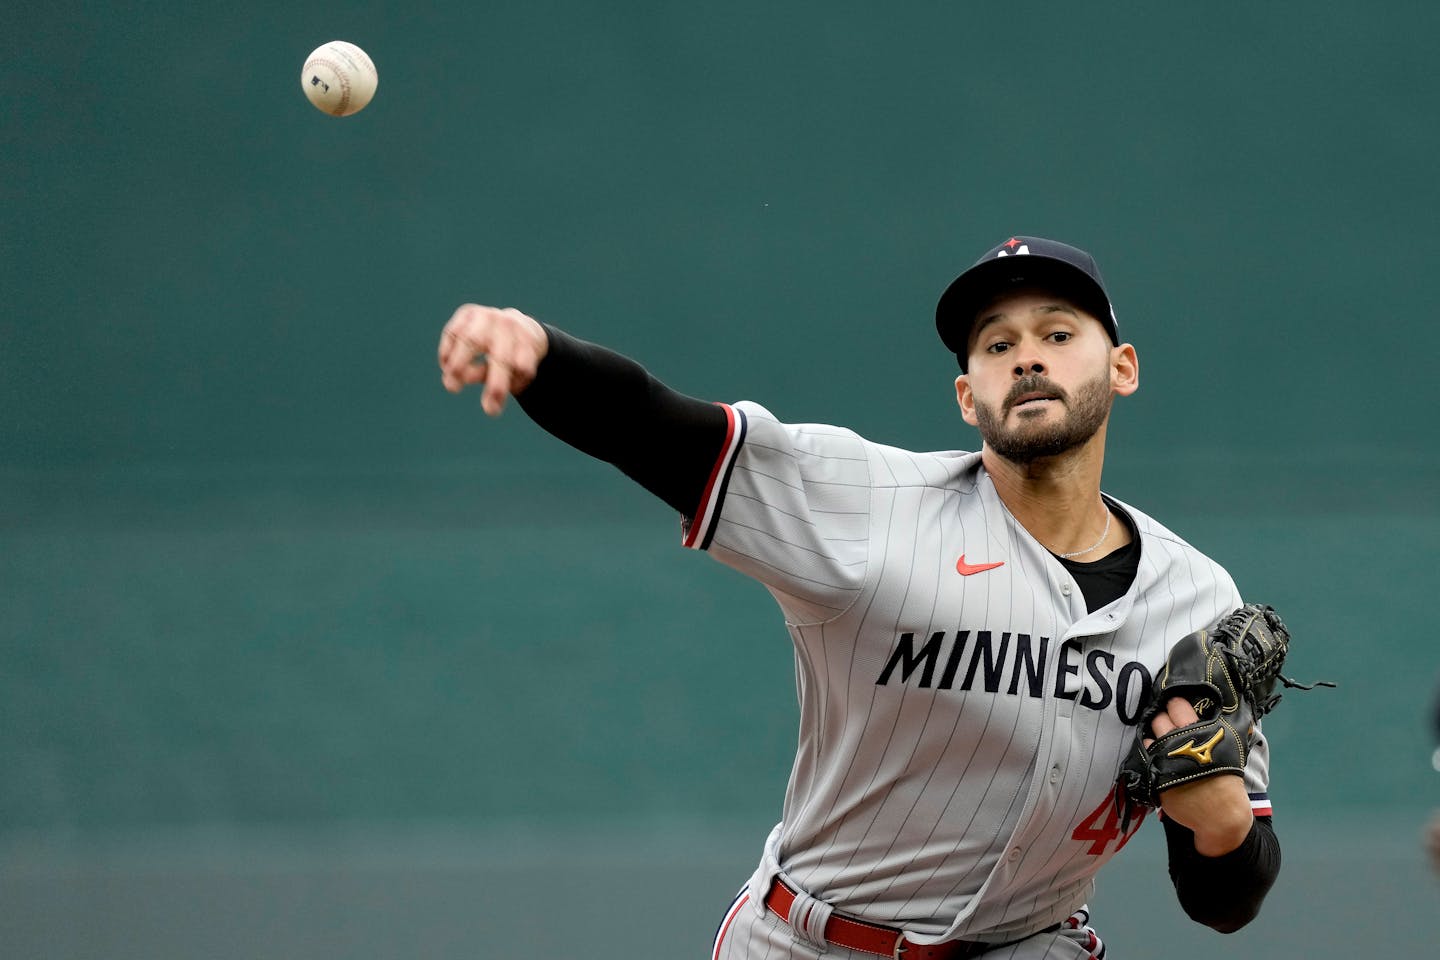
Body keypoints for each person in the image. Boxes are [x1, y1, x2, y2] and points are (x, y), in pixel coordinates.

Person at [436, 236, 1281, 958]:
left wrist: (1220, 829)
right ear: (967, 396)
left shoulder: (1197, 598)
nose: (1027, 356)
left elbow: (1225, 900)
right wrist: (542, 357)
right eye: (996, 346)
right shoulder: (873, 504)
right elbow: (665, 432)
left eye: (1059, 334)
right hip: (815, 941)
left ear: (1122, 368)